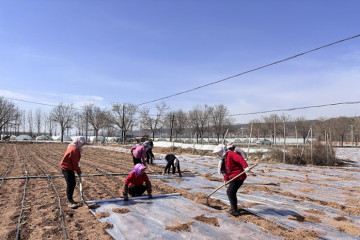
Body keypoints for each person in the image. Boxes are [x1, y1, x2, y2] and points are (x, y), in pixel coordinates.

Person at [213, 144, 249, 216]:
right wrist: (225, 179)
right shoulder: (223, 159)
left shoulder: (230, 154)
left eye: (218, 153)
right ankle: (234, 208)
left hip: (239, 176)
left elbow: (240, 159)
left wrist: (245, 166)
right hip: (232, 177)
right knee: (231, 192)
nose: (218, 154)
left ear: (222, 151)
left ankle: (234, 210)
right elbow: (223, 170)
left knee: (230, 192)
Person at [60, 136, 86, 209]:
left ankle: (71, 200)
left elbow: (76, 162)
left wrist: (78, 169)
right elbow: (75, 163)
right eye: (82, 143)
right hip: (67, 168)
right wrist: (78, 171)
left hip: (69, 167)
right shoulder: (74, 150)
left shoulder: (74, 147)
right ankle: (69, 201)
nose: (83, 145)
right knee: (70, 184)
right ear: (78, 142)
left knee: (72, 183)